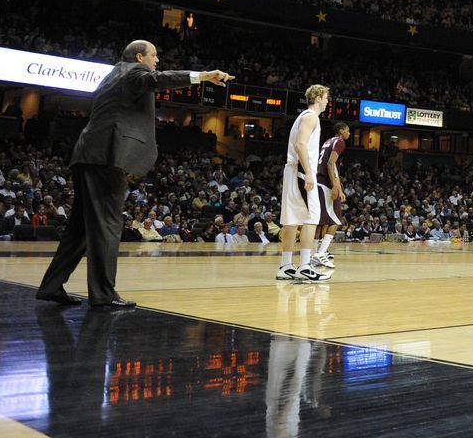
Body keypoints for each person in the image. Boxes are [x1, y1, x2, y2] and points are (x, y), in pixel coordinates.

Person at [36, 40, 231, 309]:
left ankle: (51, 286)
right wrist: (201, 76)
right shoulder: (132, 72)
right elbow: (157, 79)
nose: (157, 60)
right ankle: (103, 294)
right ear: (139, 57)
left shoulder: (114, 74)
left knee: (80, 228)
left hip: (89, 155)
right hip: (106, 156)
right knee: (108, 224)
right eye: (154, 55)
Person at [275, 85, 333, 283]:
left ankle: (286, 266)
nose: (327, 101)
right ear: (317, 98)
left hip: (293, 169)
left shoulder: (302, 116)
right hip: (301, 169)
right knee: (311, 218)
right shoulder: (311, 117)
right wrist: (309, 172)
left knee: (291, 219)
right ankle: (306, 266)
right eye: (326, 97)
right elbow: (301, 144)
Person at [312, 122, 349, 268]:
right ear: (341, 131)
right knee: (336, 220)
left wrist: (340, 189)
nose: (349, 134)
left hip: (319, 181)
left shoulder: (328, 141)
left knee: (321, 221)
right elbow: (330, 164)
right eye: (347, 131)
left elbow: (333, 167)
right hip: (326, 183)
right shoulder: (340, 142)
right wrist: (335, 186)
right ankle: (321, 253)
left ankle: (313, 255)